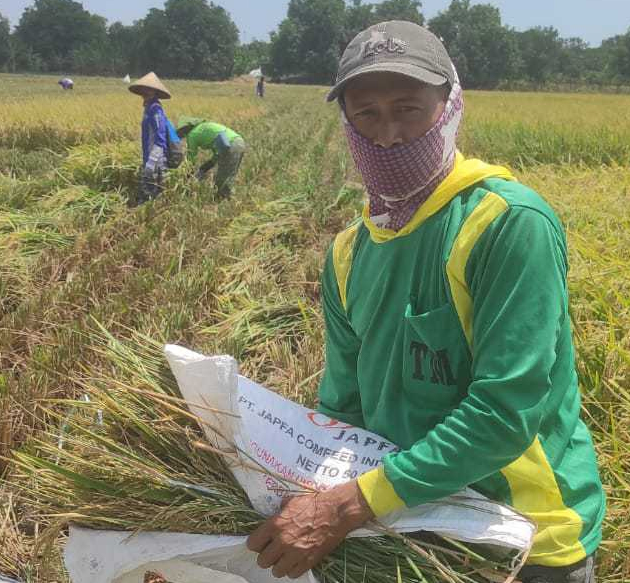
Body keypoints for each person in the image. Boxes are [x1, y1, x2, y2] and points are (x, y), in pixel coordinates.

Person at [246, 21, 605, 583]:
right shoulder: (348, 252)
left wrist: (343, 508)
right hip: (408, 523)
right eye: (367, 114)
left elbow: (504, 413)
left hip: (520, 538)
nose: (388, 135)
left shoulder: (506, 224)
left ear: (450, 105)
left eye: (408, 108)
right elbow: (344, 408)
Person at [128, 72, 177, 205]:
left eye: (147, 89)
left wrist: (152, 160)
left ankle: (149, 215)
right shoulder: (148, 108)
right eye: (143, 89)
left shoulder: (155, 109)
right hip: (149, 156)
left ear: (153, 91)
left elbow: (160, 136)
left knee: (150, 192)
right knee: (151, 191)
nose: (144, 91)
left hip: (156, 158)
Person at [175, 116, 246, 200]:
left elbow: (190, 160)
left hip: (232, 146)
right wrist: (209, 164)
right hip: (239, 142)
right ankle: (228, 200)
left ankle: (224, 202)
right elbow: (220, 148)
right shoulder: (203, 127)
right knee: (229, 176)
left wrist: (186, 178)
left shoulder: (192, 135)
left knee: (222, 180)